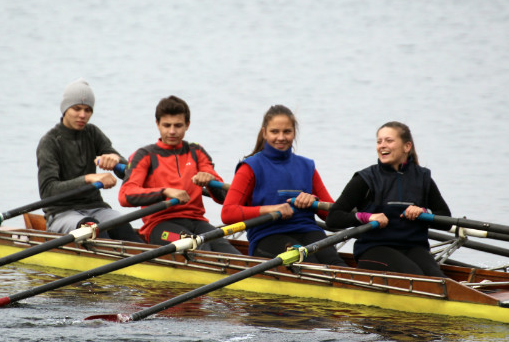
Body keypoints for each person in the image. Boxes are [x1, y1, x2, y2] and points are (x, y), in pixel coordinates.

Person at [220, 105, 347, 266]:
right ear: (264, 133)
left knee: (335, 263)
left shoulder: (307, 166)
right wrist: (271, 209)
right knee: (308, 264)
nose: (281, 137)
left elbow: (333, 215)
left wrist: (314, 201)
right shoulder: (250, 167)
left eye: (287, 131)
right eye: (274, 132)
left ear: (294, 133)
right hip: (268, 236)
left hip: (309, 231)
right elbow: (228, 213)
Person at [325, 121, 450, 277]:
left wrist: (424, 212)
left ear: (407, 146)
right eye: (379, 141)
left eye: (389, 141)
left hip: (414, 248)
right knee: (413, 275)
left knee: (438, 278)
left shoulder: (423, 178)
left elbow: (446, 220)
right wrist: (367, 217)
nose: (382, 145)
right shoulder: (365, 179)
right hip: (374, 249)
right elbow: (333, 218)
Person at [118, 95, 240, 254]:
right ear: (157, 124)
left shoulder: (196, 151)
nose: (172, 131)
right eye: (166, 125)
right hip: (160, 226)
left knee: (232, 254)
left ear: (187, 125)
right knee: (198, 249)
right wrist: (164, 192)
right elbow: (125, 195)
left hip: (197, 221)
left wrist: (209, 179)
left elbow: (223, 197)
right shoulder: (145, 155)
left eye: (178, 125)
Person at [36, 79, 141, 242]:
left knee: (123, 226)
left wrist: (117, 161)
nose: (83, 115)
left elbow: (131, 173)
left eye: (88, 110)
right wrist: (88, 179)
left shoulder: (92, 133)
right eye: (77, 109)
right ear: (65, 109)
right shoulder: (49, 142)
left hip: (96, 208)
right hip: (61, 212)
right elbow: (48, 191)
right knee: (92, 229)